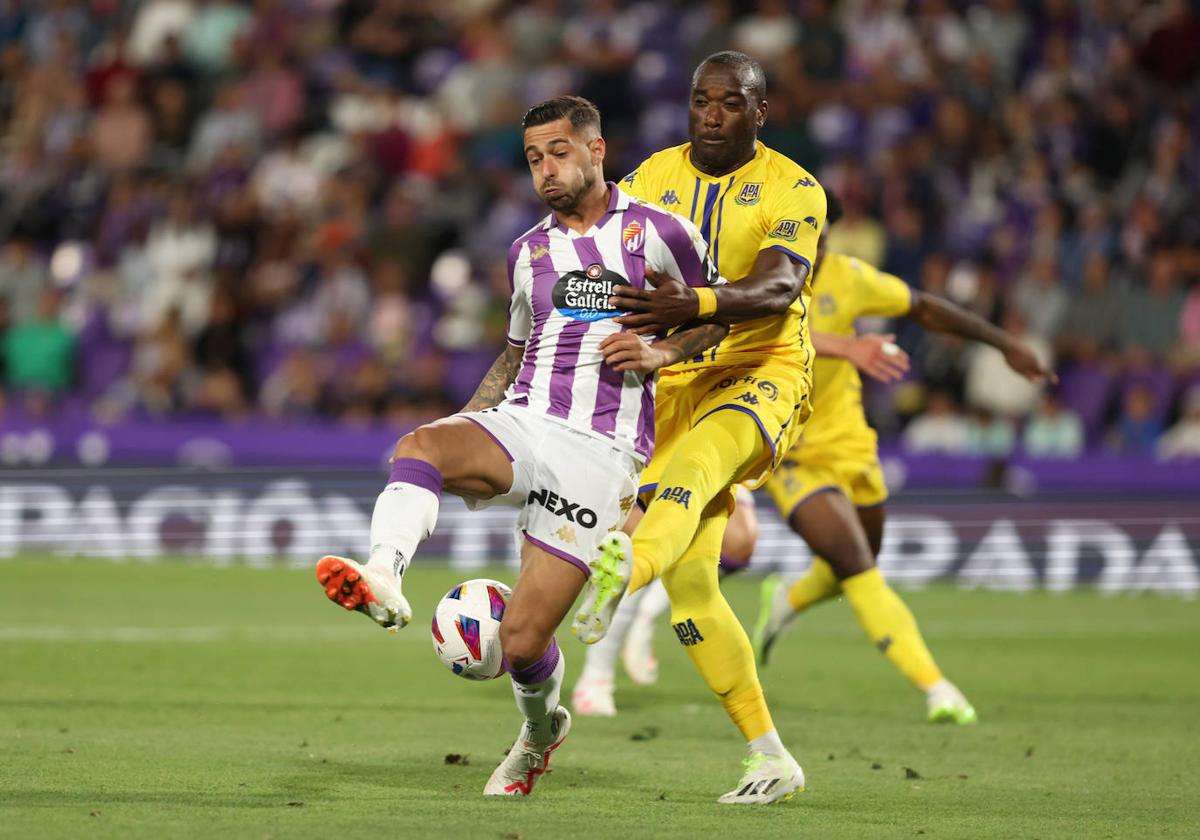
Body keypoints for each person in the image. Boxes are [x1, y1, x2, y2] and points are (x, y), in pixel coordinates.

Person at [312, 96, 726, 798]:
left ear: (598, 150)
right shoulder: (527, 251)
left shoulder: (660, 233)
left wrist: (661, 354)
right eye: (534, 158)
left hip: (601, 450)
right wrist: (466, 426)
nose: (546, 169)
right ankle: (384, 574)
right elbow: (511, 356)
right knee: (419, 445)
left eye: (560, 152)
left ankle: (539, 734)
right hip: (525, 419)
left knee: (524, 644)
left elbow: (716, 317)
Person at [578, 191, 1054, 726]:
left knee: (841, 557)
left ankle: (788, 599)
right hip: (786, 448)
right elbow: (756, 325)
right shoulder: (750, 278)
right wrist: (847, 347)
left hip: (853, 445)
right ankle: (937, 687)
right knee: (858, 567)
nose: (816, 247)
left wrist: (1003, 344)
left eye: (823, 238)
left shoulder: (850, 278)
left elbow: (922, 306)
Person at [570, 51, 827, 804]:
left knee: (700, 468)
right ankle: (769, 756)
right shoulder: (652, 178)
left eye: (731, 102)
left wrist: (697, 307)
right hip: (677, 374)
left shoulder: (794, 188)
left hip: (763, 371)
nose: (713, 113)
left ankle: (623, 570)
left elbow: (779, 286)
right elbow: (610, 267)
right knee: (694, 590)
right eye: (701, 100)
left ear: (759, 113)